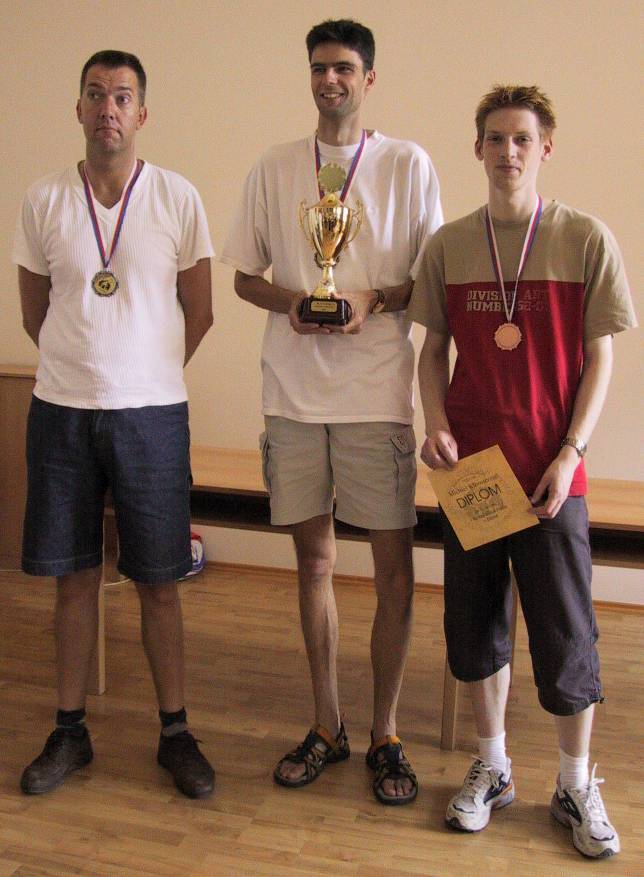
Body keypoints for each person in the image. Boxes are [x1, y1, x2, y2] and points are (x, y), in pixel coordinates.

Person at [409, 84, 636, 857]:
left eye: (523, 139)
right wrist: (435, 422)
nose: (508, 151)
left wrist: (571, 451)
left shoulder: (584, 238)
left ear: (545, 149)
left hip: (550, 476)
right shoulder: (449, 245)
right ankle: (494, 765)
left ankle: (573, 782)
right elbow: (431, 351)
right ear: (477, 148)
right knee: (477, 628)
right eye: (495, 138)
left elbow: (601, 356)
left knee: (567, 634)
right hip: (474, 472)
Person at [221, 19, 442, 804]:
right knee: (313, 564)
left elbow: (428, 283)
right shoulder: (275, 165)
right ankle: (327, 723)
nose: (330, 80)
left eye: (344, 68)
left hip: (376, 397)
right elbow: (243, 276)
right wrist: (295, 301)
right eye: (319, 68)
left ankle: (387, 732)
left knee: (393, 572)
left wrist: (371, 299)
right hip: (292, 397)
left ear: (368, 79)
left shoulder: (408, 164)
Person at [13, 50, 216, 799]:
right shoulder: (43, 199)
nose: (108, 108)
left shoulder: (176, 196)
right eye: (96, 94)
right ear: (78, 108)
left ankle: (176, 733)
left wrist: (145, 373)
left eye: (123, 96)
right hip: (61, 412)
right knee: (74, 579)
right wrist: (85, 367)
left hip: (151, 417)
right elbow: (35, 312)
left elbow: (201, 310)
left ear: (142, 114)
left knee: (159, 581)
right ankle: (69, 730)